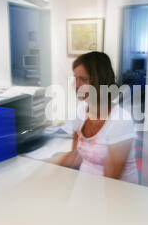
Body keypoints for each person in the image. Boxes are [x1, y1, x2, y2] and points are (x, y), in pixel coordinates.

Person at [47, 51, 139, 184]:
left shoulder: (120, 121)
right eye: (75, 78)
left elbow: (111, 180)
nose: (77, 85)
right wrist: (38, 164)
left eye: (84, 79)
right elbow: (75, 157)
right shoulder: (80, 112)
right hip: (87, 186)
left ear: (100, 81)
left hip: (114, 194)